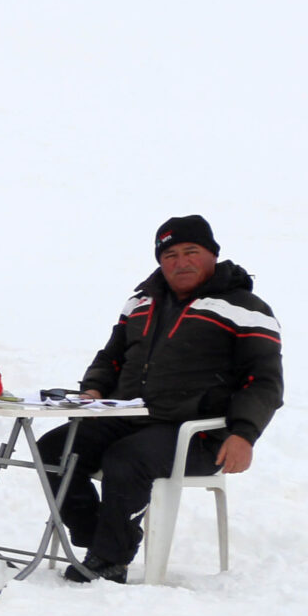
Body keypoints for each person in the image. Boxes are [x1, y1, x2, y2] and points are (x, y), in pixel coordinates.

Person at [40, 216, 281, 583]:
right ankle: (95, 535)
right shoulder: (140, 302)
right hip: (127, 417)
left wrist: (244, 434)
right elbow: (111, 357)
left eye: (191, 251)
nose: (181, 262)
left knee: (127, 458)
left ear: (212, 254)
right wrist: (94, 390)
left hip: (197, 435)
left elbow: (263, 381)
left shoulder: (246, 309)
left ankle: (109, 560)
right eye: (170, 255)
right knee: (53, 449)